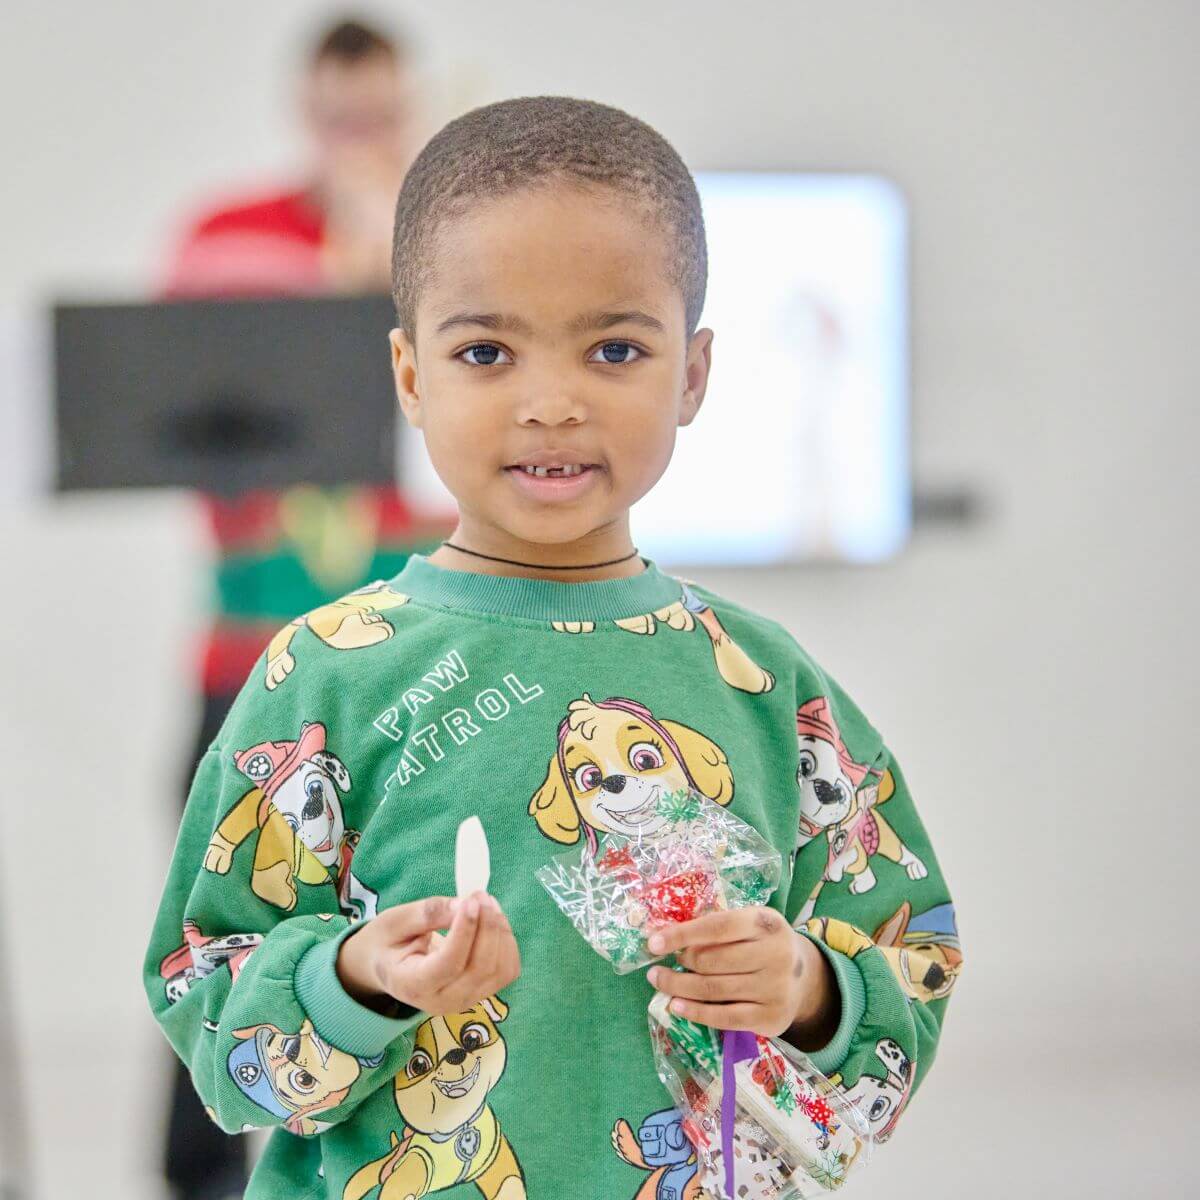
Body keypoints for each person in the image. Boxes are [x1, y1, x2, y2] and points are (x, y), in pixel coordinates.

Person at [144, 95, 961, 1199]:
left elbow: (909, 962)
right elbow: (208, 999)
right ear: (411, 375)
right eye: (486, 351)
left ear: (693, 373)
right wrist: (354, 978)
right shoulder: (328, 674)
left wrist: (810, 986)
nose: (552, 403)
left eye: (615, 348)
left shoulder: (766, 687)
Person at [156, 17, 453, 1199]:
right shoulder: (228, 241)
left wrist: (389, 259)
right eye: (339, 117)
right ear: (305, 110)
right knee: (213, 909)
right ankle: (196, 1172)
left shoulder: (446, 246)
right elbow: (182, 429)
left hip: (408, 643)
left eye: (379, 115)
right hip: (253, 643)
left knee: (400, 909)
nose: (357, 137)